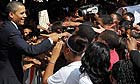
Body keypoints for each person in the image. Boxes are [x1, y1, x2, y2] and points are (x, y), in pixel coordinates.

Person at [0, 1, 69, 84]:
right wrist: (51, 39)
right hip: (9, 77)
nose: (25, 16)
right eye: (21, 13)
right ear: (11, 14)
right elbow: (30, 50)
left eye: (25, 13)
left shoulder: (9, 27)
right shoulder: (10, 30)